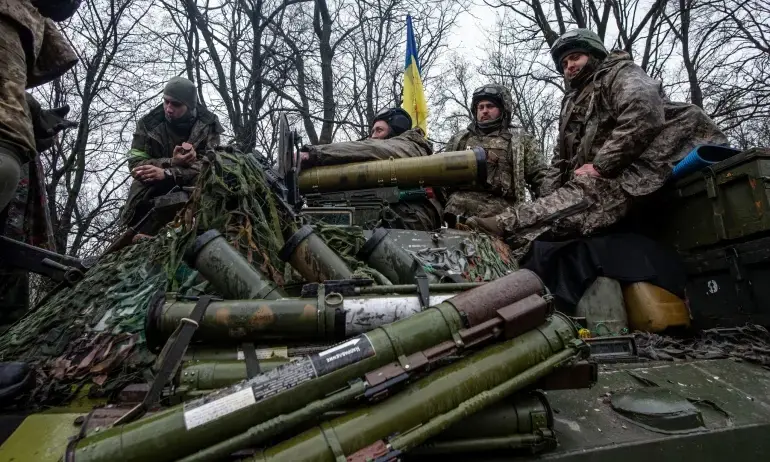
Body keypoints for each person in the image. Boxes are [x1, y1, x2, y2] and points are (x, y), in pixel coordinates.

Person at [466, 29, 728, 257]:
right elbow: (560, 159)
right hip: (605, 176)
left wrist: (602, 165)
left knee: (580, 200)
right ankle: (501, 234)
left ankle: (500, 224)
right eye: (564, 62)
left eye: (575, 57)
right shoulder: (572, 101)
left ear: (593, 55)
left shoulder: (619, 73)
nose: (569, 65)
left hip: (644, 163)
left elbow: (643, 111)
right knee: (551, 224)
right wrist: (545, 201)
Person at [299, 107, 442, 231]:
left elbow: (370, 148)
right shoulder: (388, 157)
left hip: (412, 220)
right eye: (372, 131)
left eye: (379, 130)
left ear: (396, 132)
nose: (373, 136)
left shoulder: (410, 146)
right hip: (398, 218)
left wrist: (311, 154)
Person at [121, 77, 223, 231]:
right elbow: (135, 165)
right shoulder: (148, 125)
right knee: (139, 201)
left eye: (176, 104)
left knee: (214, 186)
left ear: (189, 106)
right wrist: (170, 162)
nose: (169, 108)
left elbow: (211, 164)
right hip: (152, 186)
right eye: (166, 101)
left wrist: (169, 172)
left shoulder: (208, 124)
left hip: (192, 181)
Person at [443, 84, 547, 221]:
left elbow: (541, 177)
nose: (484, 111)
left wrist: (548, 209)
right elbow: (442, 178)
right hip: (455, 212)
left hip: (500, 218)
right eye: (480, 107)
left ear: (503, 109)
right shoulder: (460, 139)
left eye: (490, 106)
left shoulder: (520, 140)